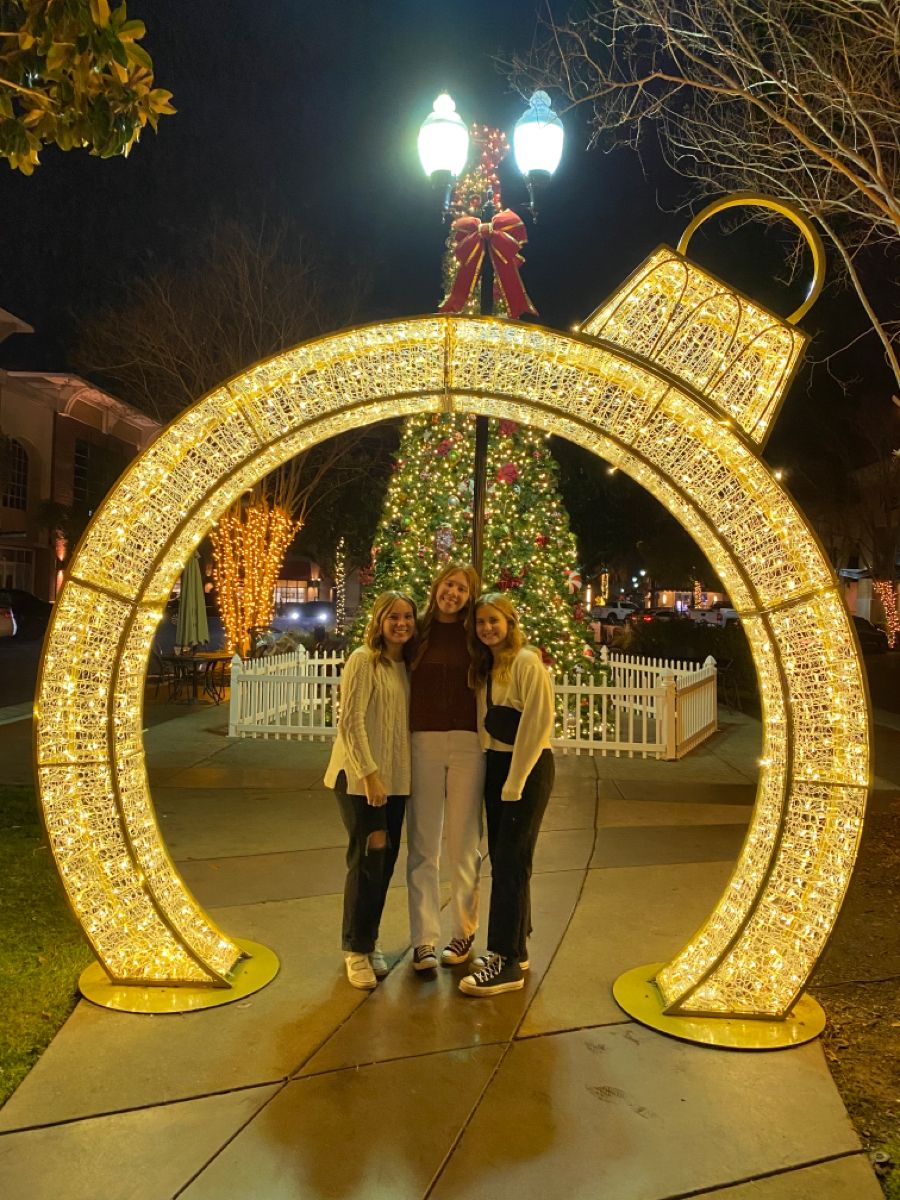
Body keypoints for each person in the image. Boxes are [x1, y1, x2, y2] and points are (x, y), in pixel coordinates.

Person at [459, 593, 555, 997]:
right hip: (498, 766)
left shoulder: (527, 663)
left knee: (511, 862)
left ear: (510, 623)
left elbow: (537, 723)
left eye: (494, 621)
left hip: (526, 768)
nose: (487, 628)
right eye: (481, 622)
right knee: (505, 860)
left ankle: (505, 959)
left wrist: (515, 781)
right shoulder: (487, 666)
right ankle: (517, 947)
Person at [324, 591, 417, 990]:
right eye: (393, 616)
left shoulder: (407, 666)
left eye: (408, 616)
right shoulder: (364, 660)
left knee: (385, 862)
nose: (401, 623)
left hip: (396, 781)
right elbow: (351, 721)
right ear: (379, 620)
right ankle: (355, 948)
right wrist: (370, 775)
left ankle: (369, 938)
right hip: (361, 779)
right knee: (367, 858)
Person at [407, 562, 484, 971]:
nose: (452, 593)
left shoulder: (476, 635)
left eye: (462, 589)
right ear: (437, 585)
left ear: (470, 597)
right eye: (449, 584)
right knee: (423, 846)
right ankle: (423, 940)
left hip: (468, 743)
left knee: (462, 844)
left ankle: (463, 932)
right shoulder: (416, 631)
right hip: (424, 741)